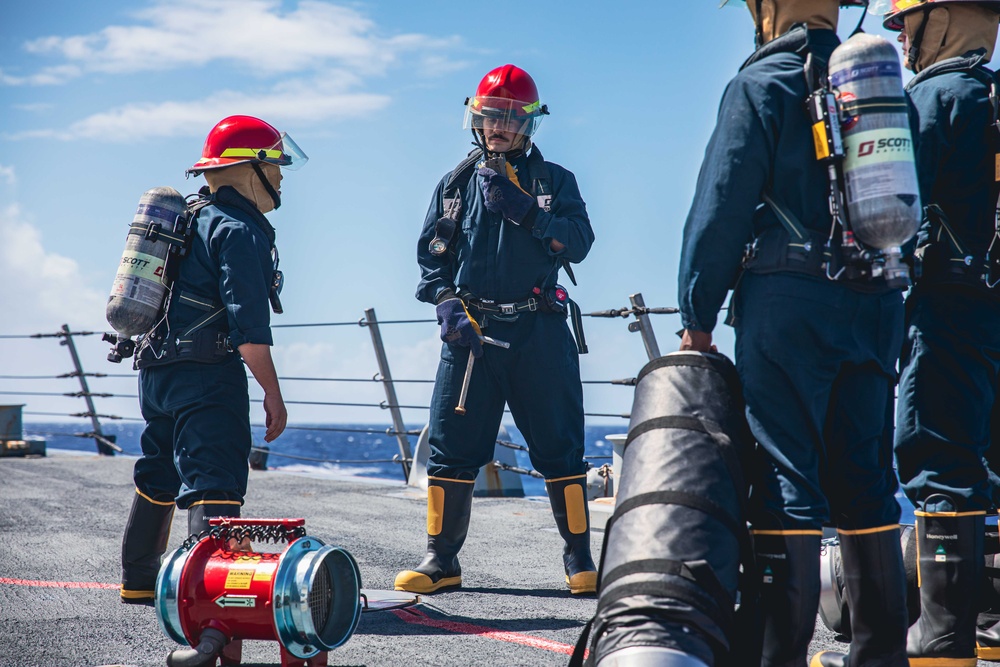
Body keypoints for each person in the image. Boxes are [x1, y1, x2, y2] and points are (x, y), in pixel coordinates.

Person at [677, 1, 912, 665]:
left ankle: (777, 656)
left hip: (788, 304)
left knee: (787, 479)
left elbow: (720, 205)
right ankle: (880, 656)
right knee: (867, 481)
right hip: (877, 301)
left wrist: (697, 314)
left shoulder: (763, 85)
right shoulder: (880, 94)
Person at [395, 64, 597, 596]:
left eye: (510, 116)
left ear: (529, 123)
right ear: (476, 120)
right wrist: (445, 304)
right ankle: (441, 560)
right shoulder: (454, 185)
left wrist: (528, 212)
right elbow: (431, 262)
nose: (499, 126)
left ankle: (579, 559)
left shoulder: (555, 182)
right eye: (489, 116)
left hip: (539, 332)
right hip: (473, 334)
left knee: (560, 446)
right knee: (451, 446)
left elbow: (578, 242)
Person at [119, 115, 307, 605]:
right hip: (207, 375)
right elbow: (249, 328)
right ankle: (211, 596)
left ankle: (139, 578)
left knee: (158, 468)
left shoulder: (188, 219)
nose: (283, 176)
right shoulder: (238, 229)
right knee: (216, 477)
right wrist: (273, 392)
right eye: (277, 166)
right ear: (250, 169)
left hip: (157, 372)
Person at [879, 0, 1000, 663]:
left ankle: (941, 637)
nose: (899, 39)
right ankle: (989, 619)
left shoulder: (932, 98)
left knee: (937, 456)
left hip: (945, 310)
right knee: (993, 464)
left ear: (943, 17)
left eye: (905, 24)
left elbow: (893, 210)